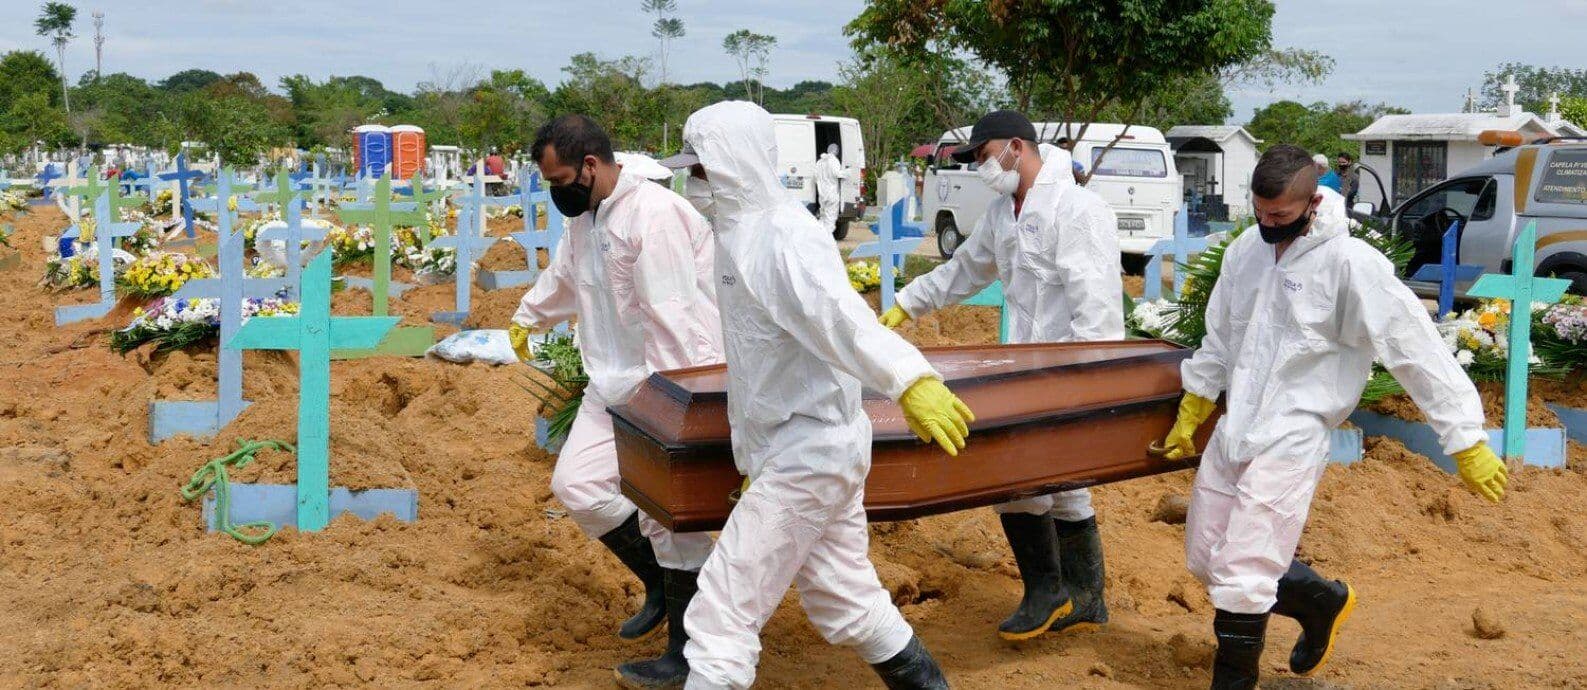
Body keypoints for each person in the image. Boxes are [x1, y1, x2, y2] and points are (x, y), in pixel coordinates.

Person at [1155, 144, 1508, 690]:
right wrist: (1196, 401)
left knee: (1245, 573)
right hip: (1237, 425)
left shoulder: (1350, 264)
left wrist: (1464, 437)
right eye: (1260, 212)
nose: (1268, 224)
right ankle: (1321, 601)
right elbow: (1222, 335)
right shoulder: (1246, 251)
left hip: (1295, 429)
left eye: (1280, 216)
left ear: (1311, 203)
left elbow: (1414, 349)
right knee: (1208, 559)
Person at [661, 100, 974, 690]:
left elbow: (842, 320)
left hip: (811, 452)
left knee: (722, 612)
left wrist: (910, 379)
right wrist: (758, 457)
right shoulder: (739, 233)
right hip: (795, 451)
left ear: (732, 165)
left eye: (700, 169)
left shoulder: (783, 236)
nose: (692, 182)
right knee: (845, 601)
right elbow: (761, 363)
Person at [879, 109, 1122, 641]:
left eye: (985, 157)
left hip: (1068, 369)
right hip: (1024, 365)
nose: (983, 168)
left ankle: (1050, 592)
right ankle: (1086, 598)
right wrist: (906, 303)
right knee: (1061, 485)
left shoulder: (1077, 210)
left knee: (1016, 476)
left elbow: (1098, 307)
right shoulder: (1001, 212)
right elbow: (965, 269)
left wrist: (1093, 381)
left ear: (1017, 147)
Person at [505, 114, 723, 688]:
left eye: (560, 180)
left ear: (592, 166)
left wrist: (676, 405)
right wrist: (528, 316)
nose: (557, 192)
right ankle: (659, 585)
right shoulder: (589, 216)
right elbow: (567, 277)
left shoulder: (656, 216)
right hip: (611, 382)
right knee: (576, 486)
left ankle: (687, 650)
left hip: (665, 384)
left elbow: (676, 320)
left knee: (670, 517)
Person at [814, 143, 844, 234]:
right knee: (831, 218)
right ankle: (827, 238)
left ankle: (819, 235)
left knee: (823, 216)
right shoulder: (834, 161)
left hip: (822, 194)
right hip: (831, 193)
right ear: (836, 151)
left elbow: (815, 176)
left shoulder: (819, 162)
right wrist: (848, 172)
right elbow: (837, 174)